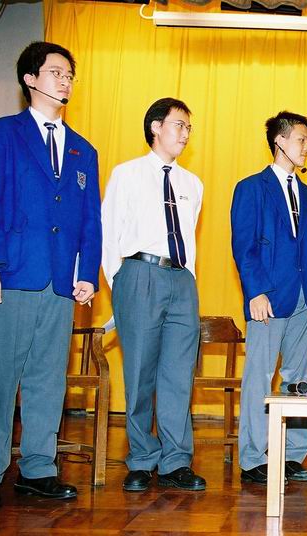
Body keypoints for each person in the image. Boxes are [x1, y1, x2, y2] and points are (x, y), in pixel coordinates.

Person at [0, 41, 101, 511]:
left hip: (60, 282)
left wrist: (87, 273)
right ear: (30, 79)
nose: (65, 80)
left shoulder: (84, 150)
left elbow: (90, 219)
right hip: (10, 276)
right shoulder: (1, 133)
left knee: (48, 380)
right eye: (56, 72)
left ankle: (39, 470)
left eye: (69, 74)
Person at [101, 97, 205, 492]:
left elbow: (188, 237)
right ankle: (142, 458)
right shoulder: (126, 174)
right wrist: (121, 283)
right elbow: (110, 233)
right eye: (179, 124)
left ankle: (177, 460)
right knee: (140, 370)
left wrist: (188, 278)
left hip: (182, 280)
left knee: (179, 374)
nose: (185, 133)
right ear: (156, 127)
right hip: (139, 274)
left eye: (188, 127)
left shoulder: (192, 183)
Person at [231, 111, 307, 485]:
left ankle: (291, 454)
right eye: (301, 140)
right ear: (280, 141)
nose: (306, 147)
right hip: (269, 297)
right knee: (259, 376)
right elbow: (244, 245)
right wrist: (255, 291)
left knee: (300, 379)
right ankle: (253, 457)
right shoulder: (251, 188)